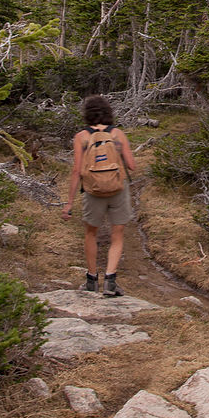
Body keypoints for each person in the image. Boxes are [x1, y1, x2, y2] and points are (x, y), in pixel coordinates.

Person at [62, 95, 137, 296]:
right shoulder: (118, 134)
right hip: (118, 190)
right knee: (117, 234)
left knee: (91, 234)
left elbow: (77, 171)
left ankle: (91, 280)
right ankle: (110, 281)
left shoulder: (81, 137)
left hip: (92, 191)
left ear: (87, 114)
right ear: (108, 112)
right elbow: (131, 165)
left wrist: (69, 203)